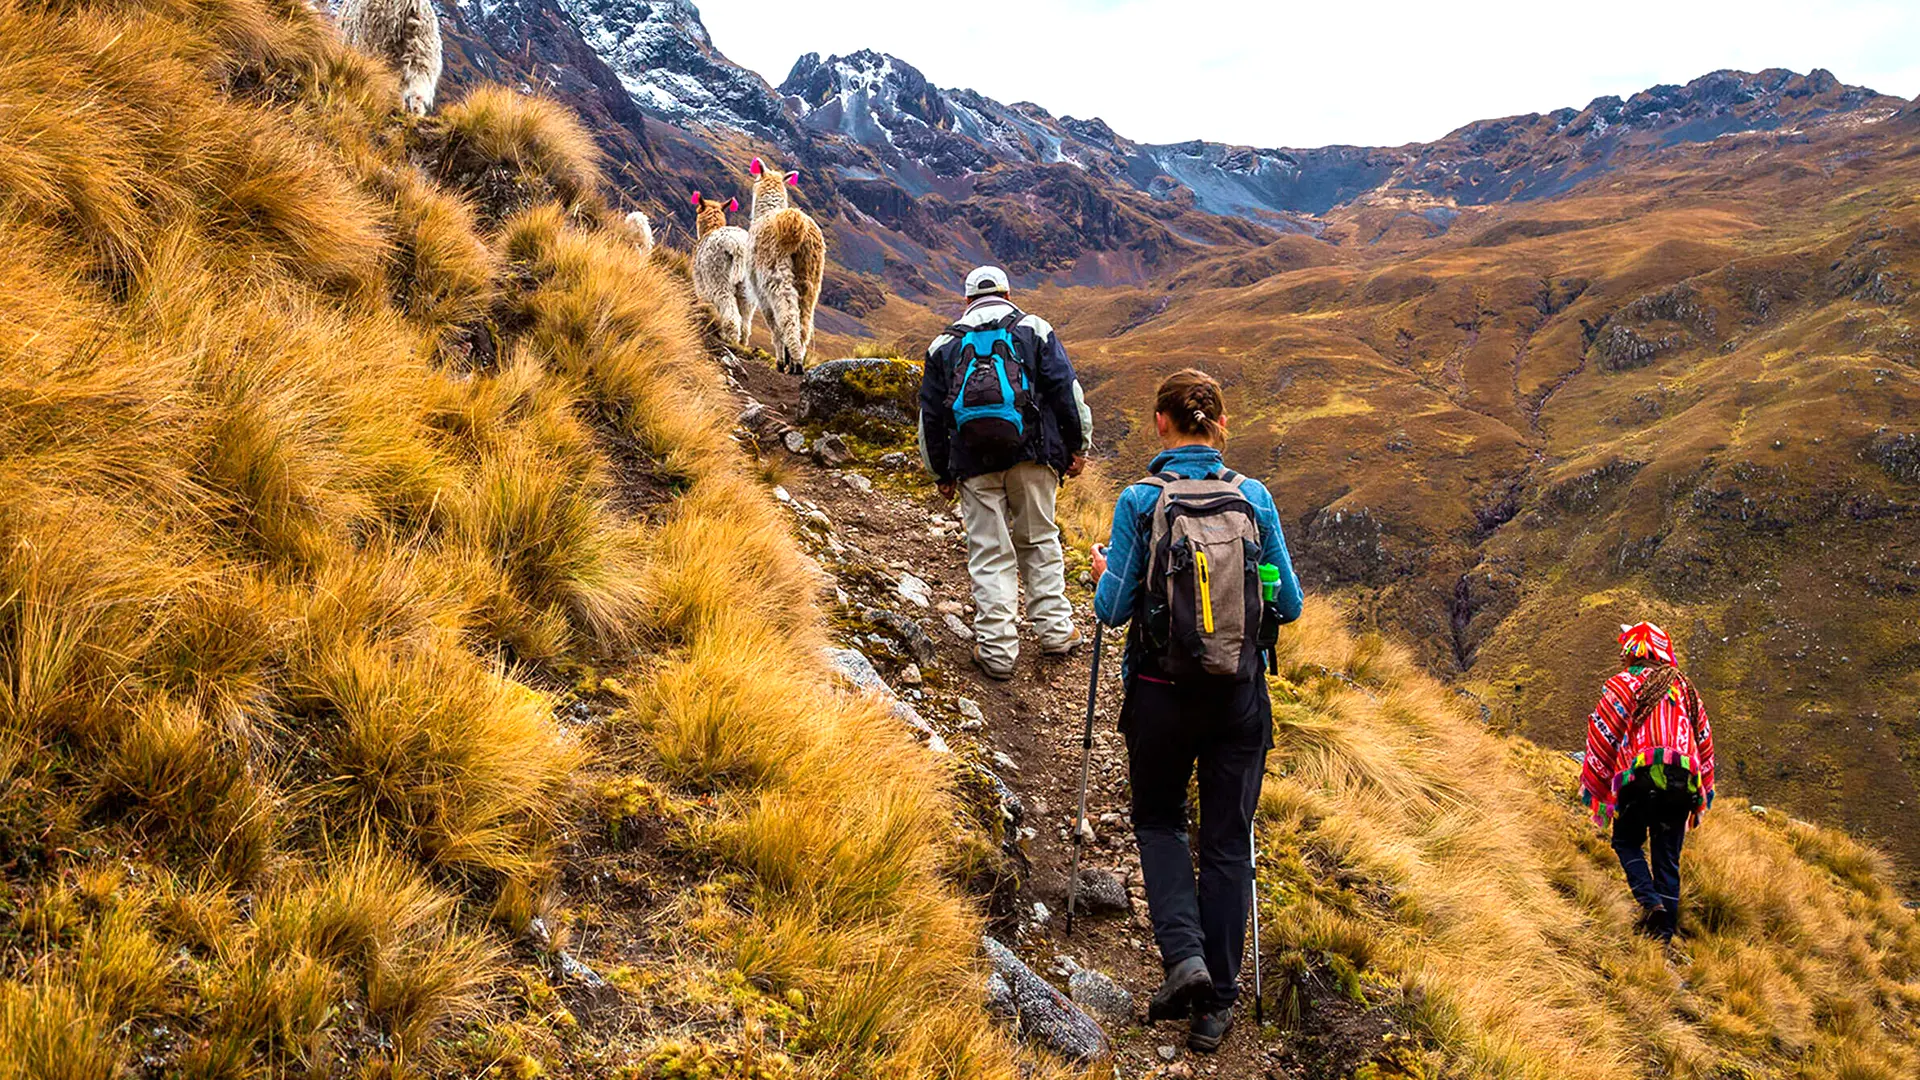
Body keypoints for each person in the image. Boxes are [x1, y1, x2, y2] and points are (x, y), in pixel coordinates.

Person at [1090, 368, 1303, 1053]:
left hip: (1159, 693)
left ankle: (1184, 959)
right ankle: (1220, 1004)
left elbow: (1113, 610)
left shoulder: (1139, 501)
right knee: (1227, 843)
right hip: (1239, 698)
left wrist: (1103, 576)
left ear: (1161, 423)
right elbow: (1291, 606)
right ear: (1218, 424)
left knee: (1158, 823)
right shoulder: (1254, 497)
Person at [919, 265, 1093, 680]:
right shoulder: (1034, 329)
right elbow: (1066, 391)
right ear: (1008, 294)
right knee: (1039, 540)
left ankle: (997, 652)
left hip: (973, 462)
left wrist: (940, 471)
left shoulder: (943, 344)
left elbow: (929, 418)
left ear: (966, 300)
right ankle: (1054, 632)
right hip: (1033, 456)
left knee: (989, 553)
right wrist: (1077, 446)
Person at [1578, 621, 1717, 943]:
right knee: (1667, 859)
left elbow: (1602, 734)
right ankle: (1663, 938)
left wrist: (1600, 783)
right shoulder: (1686, 689)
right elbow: (1704, 738)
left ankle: (1649, 902)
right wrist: (1702, 785)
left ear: (1633, 652)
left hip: (1639, 781)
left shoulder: (1621, 685)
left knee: (1626, 842)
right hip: (1683, 783)